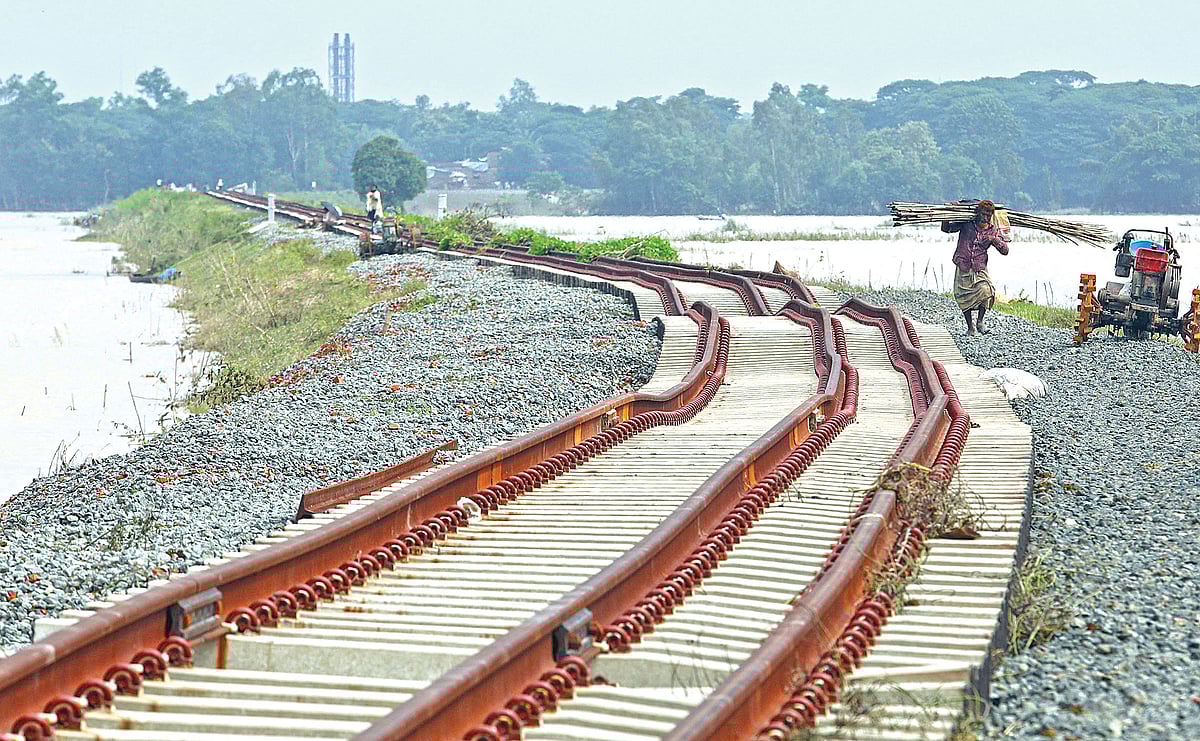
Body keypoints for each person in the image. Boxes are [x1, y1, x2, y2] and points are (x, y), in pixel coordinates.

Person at [941, 200, 1010, 336]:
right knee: (963, 296)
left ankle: (980, 322)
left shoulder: (992, 230)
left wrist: (993, 239)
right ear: (977, 213)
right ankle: (970, 327)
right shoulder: (967, 224)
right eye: (983, 214)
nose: (986, 217)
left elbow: (1005, 250)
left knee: (987, 292)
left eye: (988, 215)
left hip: (980, 266)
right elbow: (946, 229)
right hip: (963, 263)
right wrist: (946, 214)